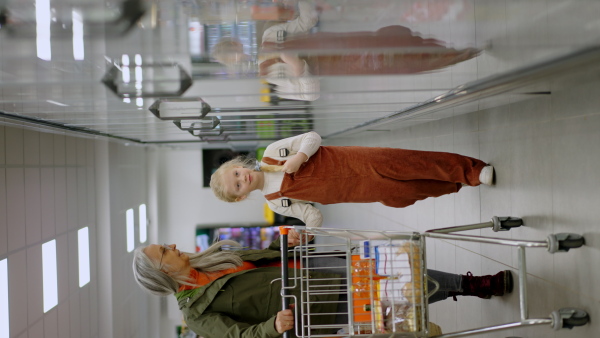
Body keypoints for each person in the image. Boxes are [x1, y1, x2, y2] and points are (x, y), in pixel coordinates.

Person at [132, 238, 513, 338]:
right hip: (315, 306)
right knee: (394, 294)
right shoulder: (196, 315)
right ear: (161, 272)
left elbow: (258, 258)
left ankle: (470, 283)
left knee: (399, 270)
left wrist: (288, 245)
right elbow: (238, 335)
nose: (174, 247)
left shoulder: (209, 259)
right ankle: (468, 287)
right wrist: (272, 327)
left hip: (312, 267)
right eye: (165, 251)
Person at [210, 131, 494, 229]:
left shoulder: (274, 153)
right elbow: (312, 216)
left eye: (236, 173)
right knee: (405, 193)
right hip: (359, 190)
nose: (242, 178)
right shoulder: (276, 203)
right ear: (241, 196)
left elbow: (313, 138)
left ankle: (471, 171)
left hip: (357, 160)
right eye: (237, 185)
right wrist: (307, 232)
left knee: (410, 163)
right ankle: (455, 182)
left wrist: (301, 157)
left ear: (238, 165)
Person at [212, 1, 481, 101]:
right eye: (234, 59)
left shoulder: (270, 35)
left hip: (343, 42)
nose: (240, 56)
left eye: (235, 50)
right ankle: (452, 57)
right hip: (346, 64)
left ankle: (446, 48)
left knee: (391, 38)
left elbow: (307, 22)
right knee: (395, 62)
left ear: (238, 44)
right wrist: (297, 68)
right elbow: (310, 95)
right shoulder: (269, 75)